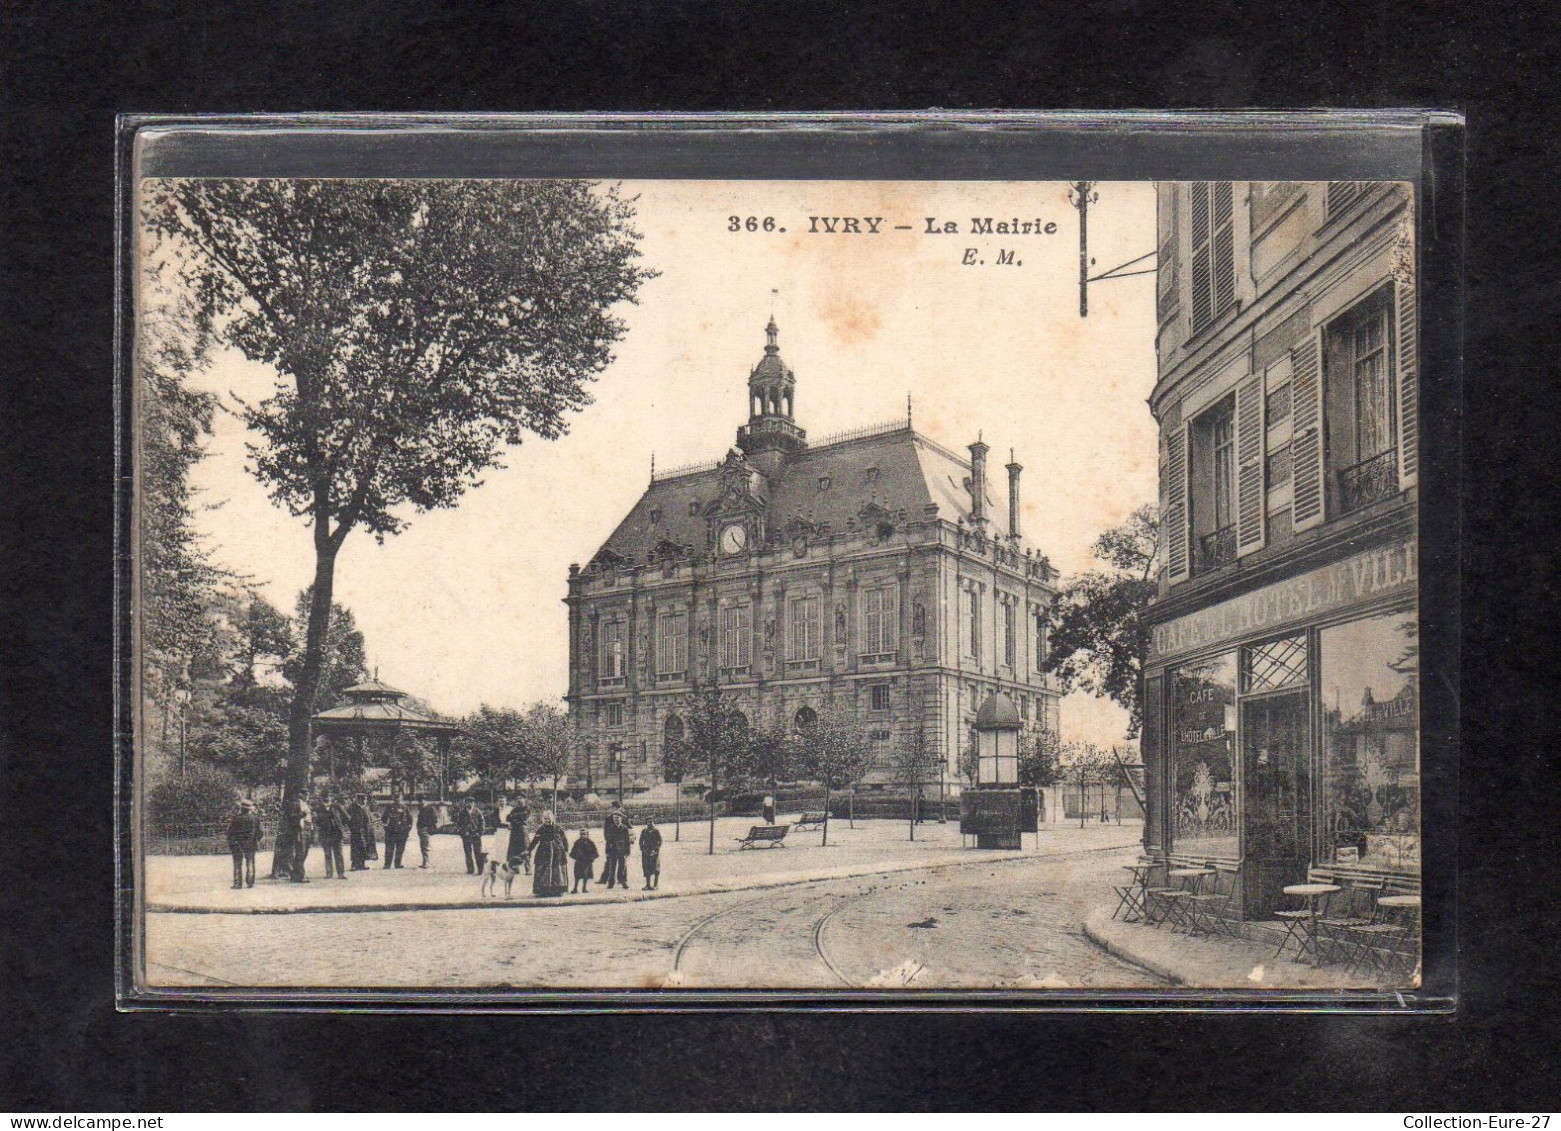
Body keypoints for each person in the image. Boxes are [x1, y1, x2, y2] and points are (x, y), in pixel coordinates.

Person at [530, 811, 569, 897]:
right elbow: (535, 840)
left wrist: (566, 848)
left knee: (557, 870)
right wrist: (529, 849)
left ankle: (558, 889)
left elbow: (564, 839)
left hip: (557, 851)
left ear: (552, 818)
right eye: (545, 819)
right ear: (543, 819)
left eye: (549, 818)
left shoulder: (558, 828)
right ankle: (543, 890)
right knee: (543, 869)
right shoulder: (541, 829)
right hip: (543, 851)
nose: (547, 820)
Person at [226, 799, 263, 889]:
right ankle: (250, 882)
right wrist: (256, 840)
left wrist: (232, 843)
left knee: (237, 863)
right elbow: (260, 832)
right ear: (249, 809)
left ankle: (238, 883)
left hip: (237, 844)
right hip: (251, 844)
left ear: (241, 809)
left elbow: (230, 832)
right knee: (250, 862)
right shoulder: (255, 818)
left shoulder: (236, 819)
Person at [316, 793, 349, 880]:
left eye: (328, 797)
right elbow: (316, 820)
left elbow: (346, 817)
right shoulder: (319, 808)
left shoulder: (336, 806)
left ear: (331, 798)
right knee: (327, 854)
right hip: (325, 834)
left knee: (338, 854)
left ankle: (340, 873)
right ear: (322, 798)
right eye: (325, 797)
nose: (327, 798)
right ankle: (329, 873)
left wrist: (342, 826)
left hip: (336, 833)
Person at [602, 802, 633, 890]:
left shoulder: (624, 828)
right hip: (613, 850)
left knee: (622, 867)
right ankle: (611, 883)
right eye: (615, 818)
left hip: (622, 850)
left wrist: (628, 851)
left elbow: (627, 841)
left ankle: (623, 881)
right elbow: (608, 841)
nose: (616, 820)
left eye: (618, 818)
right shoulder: (610, 828)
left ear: (621, 819)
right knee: (612, 867)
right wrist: (607, 852)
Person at [382, 795, 412, 868]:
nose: (397, 800)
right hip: (391, 831)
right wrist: (386, 827)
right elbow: (384, 818)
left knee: (400, 848)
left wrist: (407, 830)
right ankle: (387, 864)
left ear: (402, 799)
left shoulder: (405, 808)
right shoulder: (389, 807)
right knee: (389, 848)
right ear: (394, 799)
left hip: (402, 832)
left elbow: (410, 820)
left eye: (399, 799)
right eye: (396, 799)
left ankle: (398, 864)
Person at [457, 797, 486, 874]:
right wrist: (463, 832)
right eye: (467, 802)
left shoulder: (478, 812)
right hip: (466, 836)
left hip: (476, 835)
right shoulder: (462, 813)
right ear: (465, 803)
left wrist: (479, 833)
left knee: (478, 852)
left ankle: (480, 870)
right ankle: (470, 869)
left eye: (471, 802)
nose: (469, 804)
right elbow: (459, 824)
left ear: (474, 803)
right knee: (468, 853)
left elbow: (482, 824)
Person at [289, 796, 314, 883]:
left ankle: (294, 874)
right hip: (301, 829)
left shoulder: (306, 804)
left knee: (305, 851)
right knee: (301, 852)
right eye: (305, 794)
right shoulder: (296, 804)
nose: (307, 796)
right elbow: (292, 816)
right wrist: (302, 814)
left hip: (308, 828)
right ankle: (301, 875)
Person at [347, 793, 374, 870]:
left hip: (364, 830)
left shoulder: (364, 808)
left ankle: (362, 865)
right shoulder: (353, 807)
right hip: (356, 830)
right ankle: (354, 865)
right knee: (355, 848)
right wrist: (352, 828)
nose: (365, 801)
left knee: (363, 847)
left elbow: (367, 819)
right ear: (359, 799)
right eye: (364, 799)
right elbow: (348, 818)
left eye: (365, 799)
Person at [569, 827, 599, 894]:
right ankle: (575, 888)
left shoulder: (590, 842)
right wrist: (576, 857)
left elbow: (596, 853)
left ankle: (584, 888)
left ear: (587, 834)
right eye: (582, 834)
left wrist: (591, 858)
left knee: (585, 875)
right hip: (579, 861)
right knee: (577, 876)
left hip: (587, 862)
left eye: (584, 834)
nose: (583, 835)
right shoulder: (577, 842)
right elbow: (571, 853)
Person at [505, 800, 531, 875]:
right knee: (514, 849)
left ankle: (528, 869)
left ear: (524, 799)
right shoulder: (514, 809)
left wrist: (514, 817)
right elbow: (508, 818)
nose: (519, 800)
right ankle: (516, 868)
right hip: (514, 831)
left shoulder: (527, 808)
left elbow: (524, 816)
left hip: (522, 830)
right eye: (518, 798)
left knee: (525, 848)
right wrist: (516, 817)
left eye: (521, 798)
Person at [415, 794, 438, 868]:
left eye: (423, 800)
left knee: (425, 846)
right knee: (423, 845)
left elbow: (434, 819)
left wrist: (429, 827)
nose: (421, 801)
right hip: (421, 829)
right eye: (420, 800)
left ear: (426, 801)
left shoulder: (430, 808)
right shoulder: (422, 808)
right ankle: (425, 861)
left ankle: (426, 862)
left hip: (425, 829)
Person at [639, 818, 662, 891]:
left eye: (651, 822)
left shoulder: (656, 831)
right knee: (646, 868)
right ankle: (648, 885)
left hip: (654, 852)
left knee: (655, 868)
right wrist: (643, 849)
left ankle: (655, 885)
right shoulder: (644, 831)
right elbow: (641, 841)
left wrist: (656, 850)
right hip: (646, 852)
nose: (650, 823)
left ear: (654, 823)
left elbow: (660, 841)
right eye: (648, 822)